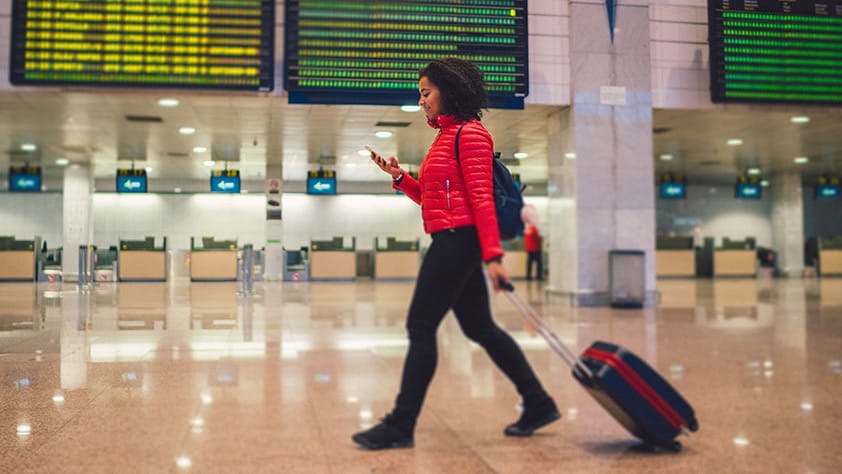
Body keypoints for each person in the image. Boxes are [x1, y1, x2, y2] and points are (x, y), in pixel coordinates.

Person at [352, 58, 559, 450]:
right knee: (480, 327)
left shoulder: (471, 135)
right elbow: (433, 199)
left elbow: (481, 199)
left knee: (420, 327)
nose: (422, 100)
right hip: (451, 236)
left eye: (426, 92)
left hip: (457, 241)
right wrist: (400, 178)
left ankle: (400, 424)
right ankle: (539, 402)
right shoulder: (444, 138)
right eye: (420, 94)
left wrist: (494, 256)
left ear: (449, 90)